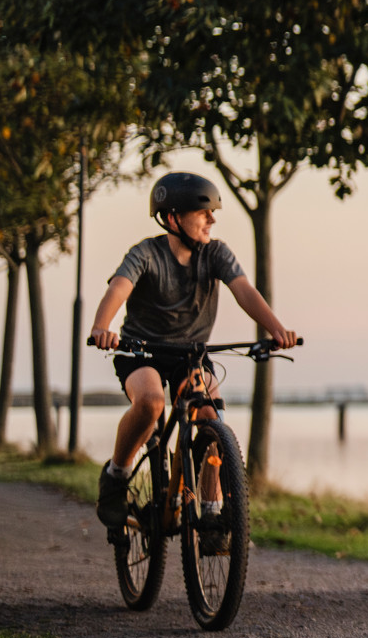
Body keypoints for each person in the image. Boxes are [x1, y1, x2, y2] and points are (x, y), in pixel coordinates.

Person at [88, 173, 299, 535]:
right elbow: (119, 289)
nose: (212, 220)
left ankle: (212, 513)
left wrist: (275, 329)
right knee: (151, 403)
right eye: (203, 213)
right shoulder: (146, 254)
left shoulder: (215, 253)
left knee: (210, 418)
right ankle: (116, 476)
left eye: (213, 213)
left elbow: (244, 290)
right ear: (173, 218)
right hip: (143, 352)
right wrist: (101, 326)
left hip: (191, 355)